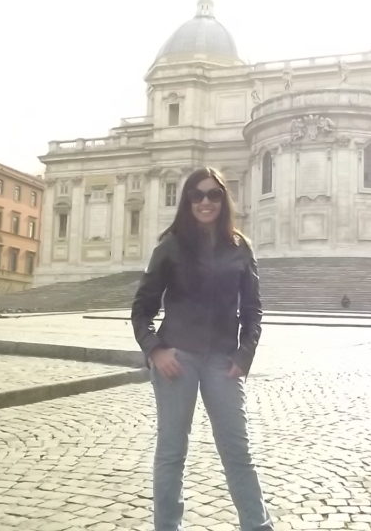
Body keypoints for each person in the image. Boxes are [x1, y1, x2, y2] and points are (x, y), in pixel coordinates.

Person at [131, 167, 275, 531]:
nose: (205, 201)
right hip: (178, 357)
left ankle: (258, 527)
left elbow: (253, 309)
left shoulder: (240, 247)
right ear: (188, 200)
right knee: (171, 454)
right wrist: (155, 350)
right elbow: (142, 308)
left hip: (223, 360)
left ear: (223, 199)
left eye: (213, 194)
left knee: (238, 452)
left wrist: (245, 355)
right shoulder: (171, 245)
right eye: (197, 195)